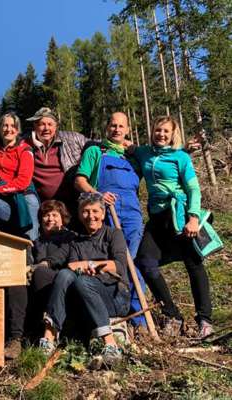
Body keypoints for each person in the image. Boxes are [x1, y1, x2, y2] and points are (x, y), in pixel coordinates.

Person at [131, 115, 213, 338]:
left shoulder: (180, 157)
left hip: (180, 214)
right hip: (157, 217)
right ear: (153, 132)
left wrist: (193, 217)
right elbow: (126, 147)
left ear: (172, 134)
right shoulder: (144, 153)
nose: (161, 135)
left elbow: (193, 188)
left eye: (166, 131)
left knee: (194, 264)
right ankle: (172, 314)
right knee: (145, 261)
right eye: (158, 130)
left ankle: (204, 320)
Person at [40, 193, 130, 366]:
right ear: (80, 214)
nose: (91, 216)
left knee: (83, 281)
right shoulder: (77, 241)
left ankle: (110, 345)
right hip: (86, 292)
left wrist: (91, 265)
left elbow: (118, 265)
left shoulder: (113, 234)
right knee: (64, 275)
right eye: (86, 211)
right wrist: (85, 267)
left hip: (115, 295)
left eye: (95, 211)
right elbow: (72, 266)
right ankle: (48, 338)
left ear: (103, 214)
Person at [74, 112, 146, 328]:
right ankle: (113, 313)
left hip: (133, 215)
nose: (116, 129)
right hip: (106, 212)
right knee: (114, 262)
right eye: (113, 125)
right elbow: (80, 180)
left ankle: (139, 319)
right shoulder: (96, 151)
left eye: (121, 126)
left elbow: (160, 161)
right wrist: (98, 195)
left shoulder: (134, 156)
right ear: (107, 128)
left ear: (127, 130)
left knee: (134, 262)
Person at [4, 200, 76, 359]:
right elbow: (28, 264)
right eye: (46, 215)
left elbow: (60, 257)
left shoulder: (70, 237)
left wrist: (39, 266)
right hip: (36, 285)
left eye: (55, 215)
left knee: (41, 273)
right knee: (16, 282)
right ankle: (15, 338)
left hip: (61, 284)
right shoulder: (37, 242)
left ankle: (45, 329)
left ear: (62, 218)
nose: (50, 219)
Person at [0, 112, 39, 241]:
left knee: (31, 202)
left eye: (13, 126)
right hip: (3, 202)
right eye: (5, 125)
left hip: (22, 196)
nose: (8, 129)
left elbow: (23, 182)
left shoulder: (25, 149)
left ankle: (31, 247)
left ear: (17, 130)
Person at [24, 107, 88, 207]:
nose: (46, 128)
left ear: (56, 127)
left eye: (50, 124)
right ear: (35, 126)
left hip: (72, 200)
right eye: (42, 124)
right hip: (42, 205)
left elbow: (93, 147)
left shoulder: (72, 139)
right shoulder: (26, 145)